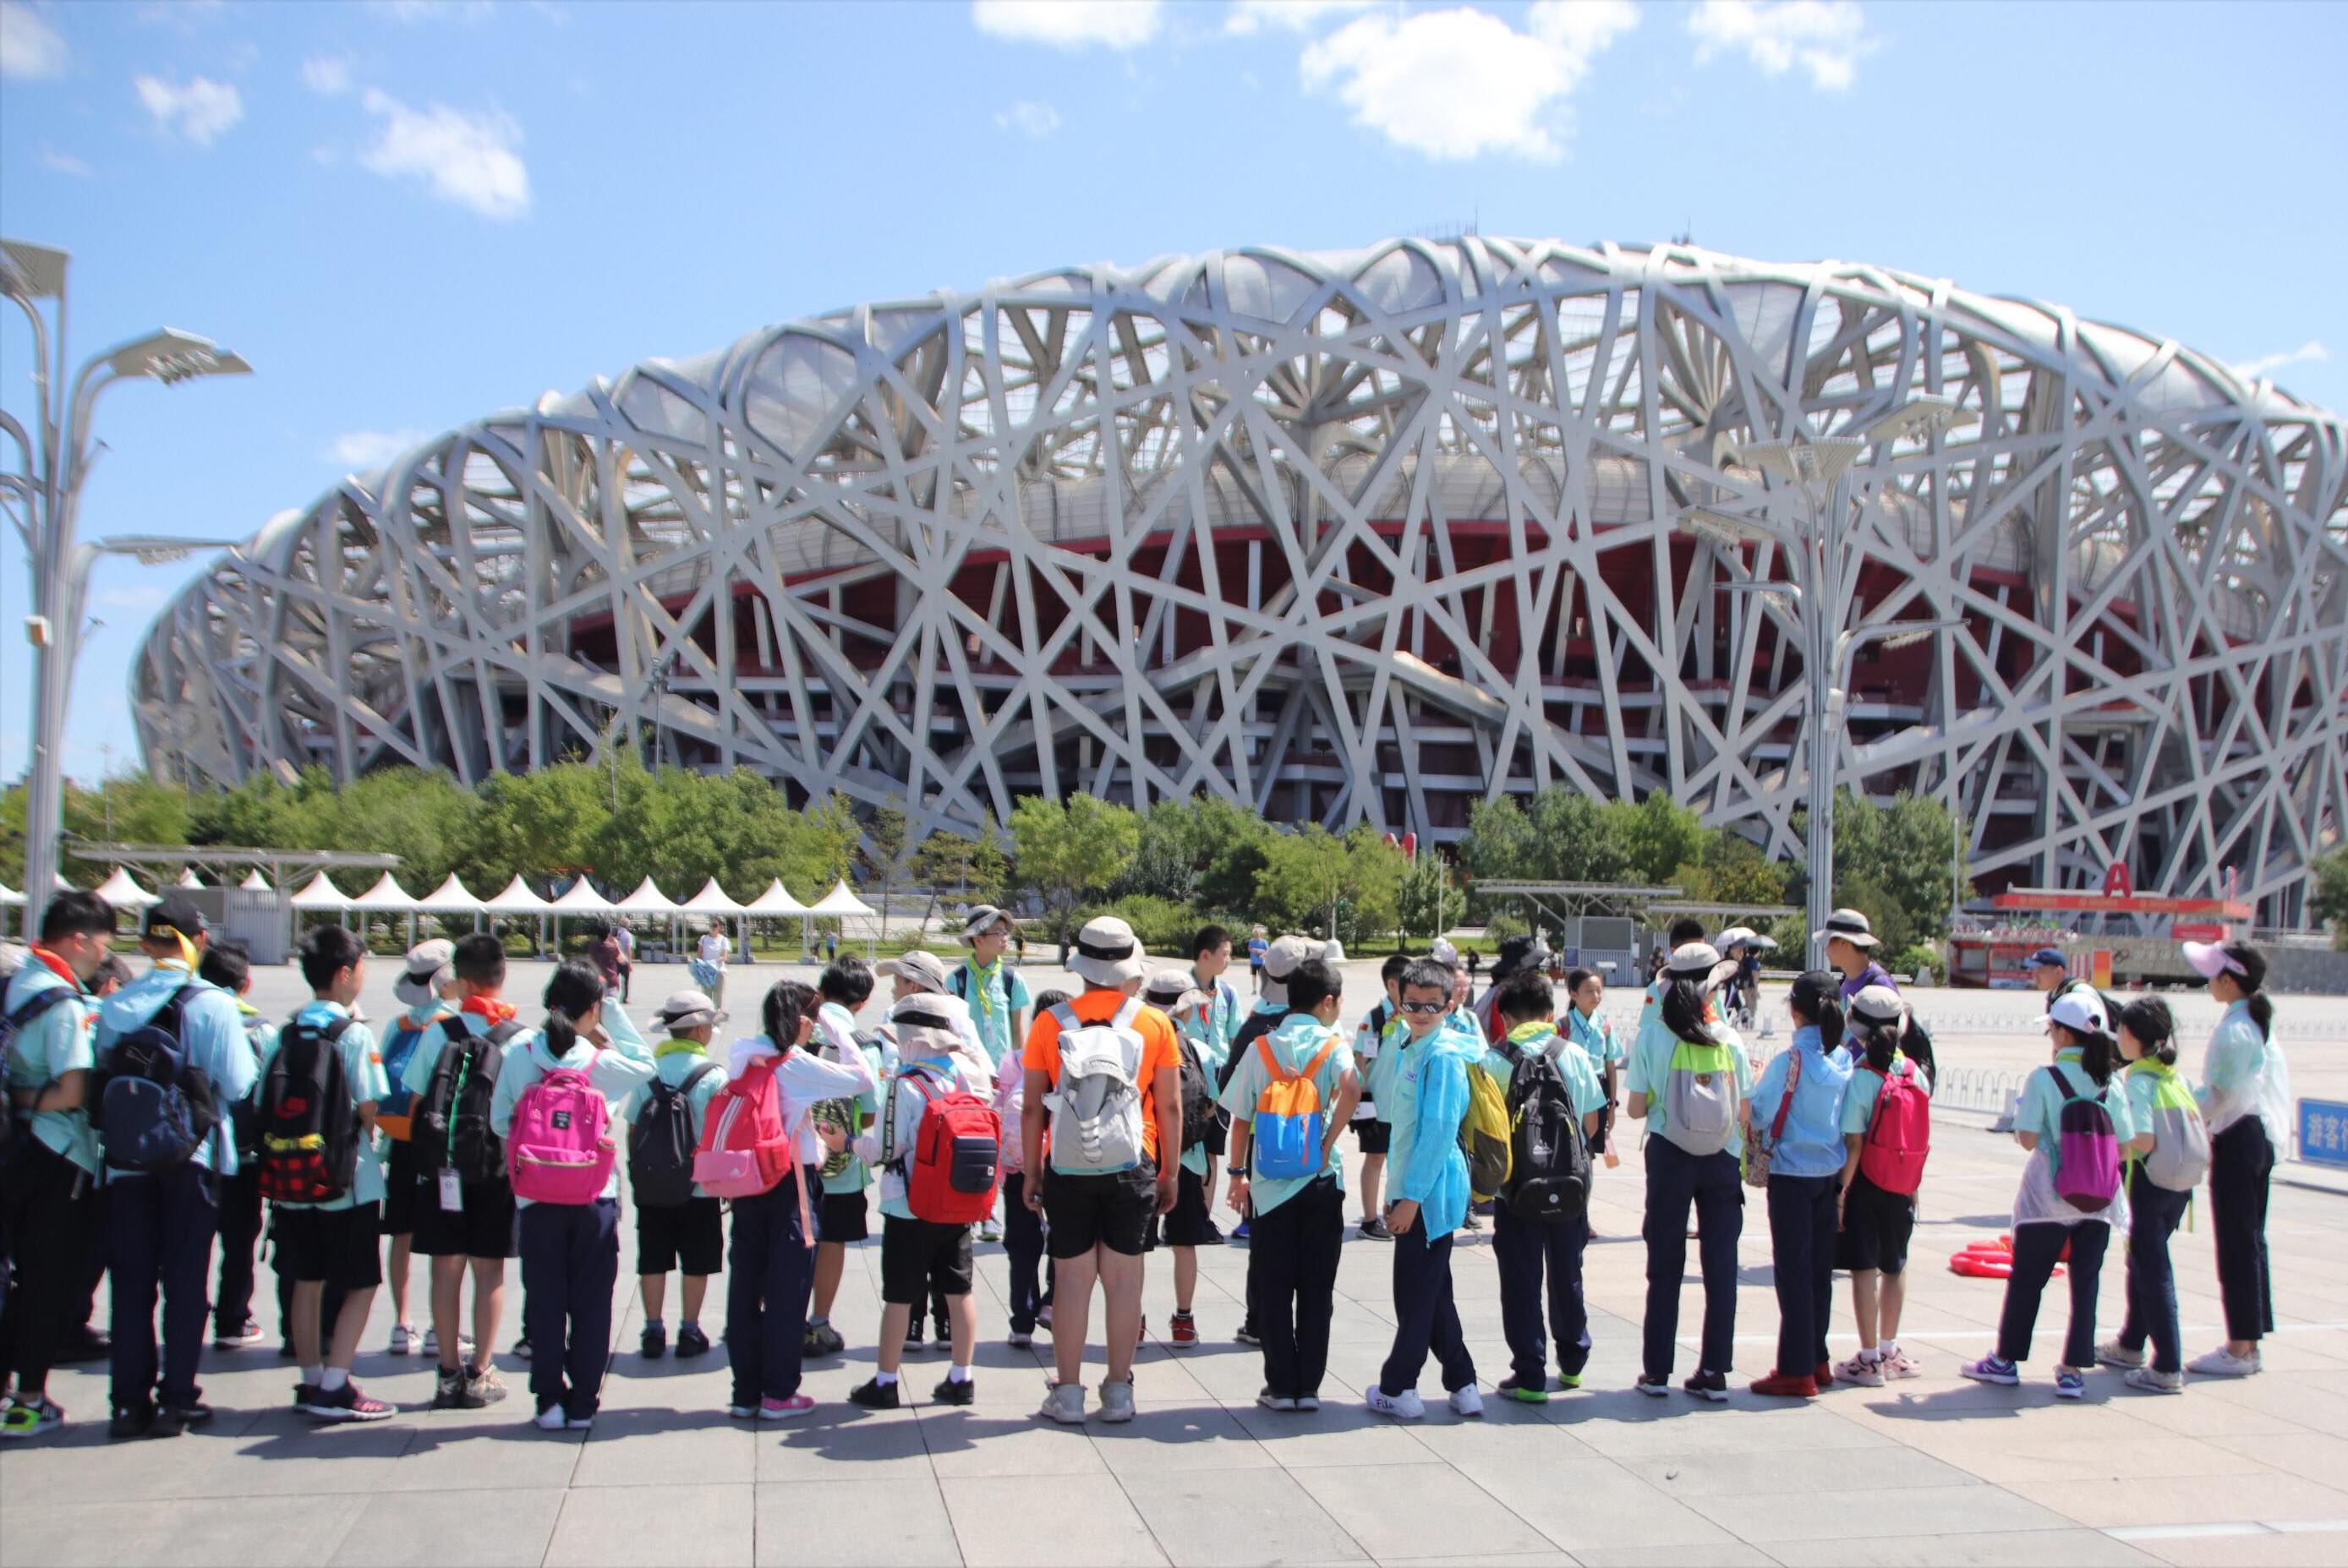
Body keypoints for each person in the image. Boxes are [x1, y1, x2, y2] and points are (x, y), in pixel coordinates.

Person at [94, 893, 256, 1440]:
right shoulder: (213, 1004)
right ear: (200, 941)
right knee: (186, 1280)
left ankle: (127, 1402)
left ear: (145, 943)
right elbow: (238, 1083)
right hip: (193, 1158)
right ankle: (177, 1398)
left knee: (131, 1282)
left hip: (126, 1161)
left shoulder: (117, 1005)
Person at [1021, 915, 1182, 1425]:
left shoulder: (1049, 1023)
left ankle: (1068, 1393)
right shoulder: (1153, 1023)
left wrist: (1032, 1171)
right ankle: (1118, 1392)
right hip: (1134, 1160)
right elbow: (1170, 1105)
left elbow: (1032, 1106)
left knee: (1071, 1280)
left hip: (1067, 1162)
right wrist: (1170, 1173)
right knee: (1124, 1280)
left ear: (1081, 967)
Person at [490, 960, 657, 1430]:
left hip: (536, 1200)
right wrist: (613, 1011)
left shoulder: (520, 1053)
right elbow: (646, 1064)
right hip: (593, 1195)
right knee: (592, 1302)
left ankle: (548, 1401)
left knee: (544, 1300)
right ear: (593, 1009)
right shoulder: (598, 1061)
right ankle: (583, 1400)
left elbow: (499, 1121)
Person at [1962, 990, 2135, 1398]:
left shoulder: (2044, 1078)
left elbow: (2026, 1138)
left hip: (2047, 1198)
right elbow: (2126, 1147)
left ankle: (2006, 1360)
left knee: (2028, 1279)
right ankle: (2073, 1371)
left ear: (2062, 1033)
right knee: (2086, 1285)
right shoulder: (2111, 1082)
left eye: (2052, 1029)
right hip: (2098, 1201)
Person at [725, 978, 876, 1419]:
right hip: (790, 1184)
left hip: (747, 1179)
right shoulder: (795, 1064)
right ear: (804, 1021)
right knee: (787, 1290)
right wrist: (836, 1027)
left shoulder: (743, 1053)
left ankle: (745, 1393)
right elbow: (862, 1078)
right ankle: (778, 1392)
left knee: (745, 1286)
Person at [264, 925, 395, 1423]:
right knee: (361, 1282)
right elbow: (369, 1103)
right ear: (344, 973)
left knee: (306, 1278)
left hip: (290, 1179)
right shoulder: (351, 1034)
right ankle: (338, 1383)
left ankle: (311, 1377)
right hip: (345, 1178)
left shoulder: (287, 1032)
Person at [0, 891, 115, 1437]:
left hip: (9, 1148)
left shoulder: (12, 983)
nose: (103, 954)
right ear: (79, 940)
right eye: (102, 943)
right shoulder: (64, 1003)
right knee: (46, 1280)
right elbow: (71, 1091)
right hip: (55, 1153)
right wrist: (24, 1100)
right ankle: (29, 1400)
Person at [1220, 958, 1359, 1411]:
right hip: (1321, 1181)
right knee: (1317, 1289)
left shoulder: (1262, 1047)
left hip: (1269, 1186)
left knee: (1275, 1287)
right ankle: (1309, 1387)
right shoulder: (1333, 1045)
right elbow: (1352, 1088)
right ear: (1328, 1002)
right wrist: (1328, 1140)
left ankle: (1280, 1387)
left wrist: (1237, 1176)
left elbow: (1240, 1119)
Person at [847, 992, 987, 1410]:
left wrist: (849, 1144)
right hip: (956, 1201)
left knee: (899, 1295)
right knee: (959, 1290)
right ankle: (961, 1377)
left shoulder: (904, 1084)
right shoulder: (963, 1075)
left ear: (912, 1040)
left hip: (909, 1204)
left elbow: (886, 1149)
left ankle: (886, 1382)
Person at [400, 932, 522, 1409]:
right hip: (494, 1170)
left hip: (444, 1171)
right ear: (501, 976)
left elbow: (415, 1100)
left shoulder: (439, 1032)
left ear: (463, 981)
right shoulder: (519, 1038)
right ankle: (481, 1370)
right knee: (489, 1271)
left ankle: (448, 1372)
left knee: (445, 1269)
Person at [1626, 942, 1752, 1401]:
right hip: (1721, 1157)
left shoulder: (1654, 1035)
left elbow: (1635, 1109)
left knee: (1665, 1266)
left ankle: (1657, 1371)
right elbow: (1743, 1113)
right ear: (1712, 989)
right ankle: (1714, 1372)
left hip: (1669, 1154)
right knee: (1720, 1267)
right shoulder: (1729, 1039)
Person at [1366, 958, 1484, 1420]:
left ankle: (1398, 1387)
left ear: (1449, 1006)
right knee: (1432, 1293)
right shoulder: (1412, 1044)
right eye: (1412, 1004)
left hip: (1429, 1195)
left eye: (1432, 1006)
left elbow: (1437, 1131)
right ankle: (1464, 1383)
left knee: (1414, 1295)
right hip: (1416, 1189)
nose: (1420, 1013)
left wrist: (1411, 1199)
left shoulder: (1443, 1056)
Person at [1482, 969, 1606, 1402]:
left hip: (1516, 1191)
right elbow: (1592, 1122)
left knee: (1521, 1279)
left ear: (1505, 1018)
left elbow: (1487, 1134)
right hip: (1570, 1188)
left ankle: (1530, 1374)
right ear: (1551, 1014)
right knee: (1567, 1271)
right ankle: (1572, 1363)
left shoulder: (1494, 1061)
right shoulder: (1574, 1055)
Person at [1744, 972, 1853, 1399]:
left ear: (1794, 1011)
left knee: (1792, 1274)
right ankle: (1817, 1358)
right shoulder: (1843, 1060)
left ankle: (1796, 1369)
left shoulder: (1789, 1061)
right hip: (1829, 1173)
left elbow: (1758, 1115)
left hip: (1791, 1175)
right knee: (1819, 1272)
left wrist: (1755, 1083)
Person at [2183, 940, 2289, 1379]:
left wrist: (2182, 1106)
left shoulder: (2236, 1030)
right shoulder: (2251, 1023)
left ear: (2229, 980)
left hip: (2239, 1137)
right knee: (2250, 1240)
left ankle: (2239, 1346)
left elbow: (2220, 1095)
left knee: (2237, 1243)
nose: (2208, 981)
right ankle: (2249, 1341)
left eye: (2213, 975)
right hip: (2255, 1136)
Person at [1830, 986, 1930, 1385]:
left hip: (1866, 1183)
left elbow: (1854, 1143)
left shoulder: (1861, 1077)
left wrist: (1841, 1195)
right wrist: (1913, 1185)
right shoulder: (1915, 1073)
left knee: (1863, 1268)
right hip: (1903, 1183)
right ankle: (1891, 1350)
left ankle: (1869, 1359)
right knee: (1895, 1265)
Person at [624, 990, 730, 1361]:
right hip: (699, 1187)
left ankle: (653, 1329)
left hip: (654, 1186)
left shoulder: (649, 1073)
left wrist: (641, 1173)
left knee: (653, 1258)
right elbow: (721, 1135)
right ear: (699, 1030)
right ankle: (690, 1329)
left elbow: (633, 1128)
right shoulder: (714, 1076)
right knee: (697, 1261)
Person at [2096, 997, 2193, 1393]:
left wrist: (2116, 1137)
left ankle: (2167, 1365)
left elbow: (2144, 1138)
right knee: (2143, 1262)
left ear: (2131, 1035)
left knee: (2153, 1271)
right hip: (2179, 1186)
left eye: (2121, 1029)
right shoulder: (2173, 1076)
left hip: (2148, 1183)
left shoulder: (2138, 1081)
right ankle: (2131, 1344)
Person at [375, 938, 455, 1359]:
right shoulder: (452, 1025)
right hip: (441, 1143)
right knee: (446, 1239)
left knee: (401, 1232)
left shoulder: (398, 1026)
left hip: (401, 1141)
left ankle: (401, 1322)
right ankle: (442, 1328)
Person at [804, 957, 883, 1361]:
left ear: (821, 990)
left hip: (792, 1158)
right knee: (832, 1241)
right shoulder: (864, 1044)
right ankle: (818, 1324)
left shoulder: (795, 1028)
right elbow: (869, 1112)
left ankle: (771, 1314)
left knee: (786, 1239)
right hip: (840, 1164)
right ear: (862, 1002)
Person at [197, 940, 273, 1355]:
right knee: (239, 1241)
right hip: (244, 1155)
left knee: (191, 1242)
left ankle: (188, 1316)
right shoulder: (260, 1029)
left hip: (192, 1151)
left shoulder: (187, 1015)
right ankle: (232, 1318)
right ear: (247, 983)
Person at [1144, 970, 1218, 1349]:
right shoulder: (1200, 1050)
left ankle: (1133, 1320)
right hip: (1187, 1159)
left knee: (1134, 1247)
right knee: (1184, 1244)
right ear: (1184, 1009)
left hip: (1144, 1156)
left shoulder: (1137, 1041)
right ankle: (1184, 1321)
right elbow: (1210, 1105)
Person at [949, 905, 1030, 1247]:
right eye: (998, 933)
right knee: (968, 1144)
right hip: (968, 1077)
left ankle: (992, 1212)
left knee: (999, 1145)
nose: (1005, 938)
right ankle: (971, 1210)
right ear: (978, 939)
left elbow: (1019, 1031)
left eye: (1006, 932)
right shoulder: (956, 981)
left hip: (1003, 1080)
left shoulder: (1012, 979)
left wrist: (1023, 1075)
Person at [1351, 954, 1409, 1241]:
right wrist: (1362, 1107)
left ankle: (1396, 1212)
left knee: (1402, 1159)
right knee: (1376, 1159)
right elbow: (1360, 1061)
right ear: (1392, 984)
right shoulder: (1374, 1019)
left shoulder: (1415, 1016)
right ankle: (1369, 1219)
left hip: (1406, 1106)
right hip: (1380, 1105)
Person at [1563, 967, 1623, 1170]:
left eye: (1599, 990)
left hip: (1598, 1088)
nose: (1596, 996)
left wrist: (1612, 1105)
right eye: (1589, 991)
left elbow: (1611, 1068)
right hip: (1571, 1087)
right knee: (1569, 1139)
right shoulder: (1563, 1026)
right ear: (1573, 994)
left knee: (1590, 1146)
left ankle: (1584, 1179)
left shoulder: (1604, 1027)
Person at [1823, 909, 1896, 1002]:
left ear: (1843, 942)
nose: (1826, 948)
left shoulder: (1880, 984)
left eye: (1829, 941)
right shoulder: (1845, 981)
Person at [2030, 947, 2086, 1012]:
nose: (2034, 975)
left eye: (2041, 971)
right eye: (2033, 970)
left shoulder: (2078, 993)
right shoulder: (2055, 993)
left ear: (2058, 971)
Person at [695, 921, 732, 1008]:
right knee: (706, 997)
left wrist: (714, 962)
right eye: (712, 926)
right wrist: (702, 965)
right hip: (706, 972)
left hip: (719, 972)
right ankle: (707, 1014)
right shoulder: (704, 939)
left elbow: (724, 956)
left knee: (718, 998)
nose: (714, 928)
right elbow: (699, 954)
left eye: (715, 926)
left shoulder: (723, 940)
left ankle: (718, 1013)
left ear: (719, 927)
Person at [614, 922, 636, 1003]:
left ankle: (611, 996)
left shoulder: (613, 933)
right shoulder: (628, 935)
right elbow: (628, 949)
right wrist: (630, 962)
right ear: (627, 925)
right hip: (624, 960)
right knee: (626, 980)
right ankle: (625, 998)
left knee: (613, 979)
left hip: (614, 960)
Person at [1246, 926, 1268, 994]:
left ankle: (1263, 990)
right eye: (1255, 933)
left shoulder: (1264, 942)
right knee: (1254, 976)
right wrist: (1257, 950)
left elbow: (1268, 951)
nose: (1257, 934)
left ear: (1260, 933)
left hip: (1261, 963)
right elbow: (1249, 949)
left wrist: (1262, 954)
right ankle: (1254, 990)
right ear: (1254, 934)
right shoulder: (1251, 941)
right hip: (1253, 963)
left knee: (1262, 977)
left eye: (1258, 932)